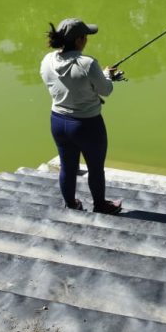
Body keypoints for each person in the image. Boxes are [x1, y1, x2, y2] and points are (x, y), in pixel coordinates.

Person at [40, 18, 124, 215]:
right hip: (88, 125)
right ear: (79, 40)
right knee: (95, 168)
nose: (87, 39)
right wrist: (107, 76)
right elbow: (106, 90)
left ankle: (71, 204)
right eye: (85, 36)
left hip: (58, 121)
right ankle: (100, 205)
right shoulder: (88, 63)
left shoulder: (47, 60)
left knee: (67, 167)